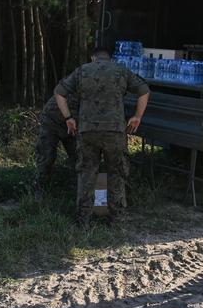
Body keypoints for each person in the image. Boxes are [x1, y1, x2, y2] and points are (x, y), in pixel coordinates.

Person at [54, 47, 150, 225]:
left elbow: (59, 93)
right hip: (115, 132)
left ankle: (83, 220)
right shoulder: (121, 70)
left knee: (86, 173)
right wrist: (137, 117)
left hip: (87, 131)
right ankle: (117, 219)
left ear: (93, 58)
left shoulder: (82, 70)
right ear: (110, 59)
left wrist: (68, 118)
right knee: (116, 173)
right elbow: (144, 90)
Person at [33, 92, 79, 197]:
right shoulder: (76, 82)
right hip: (51, 121)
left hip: (73, 125)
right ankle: (39, 190)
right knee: (46, 157)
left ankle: (77, 190)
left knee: (79, 157)